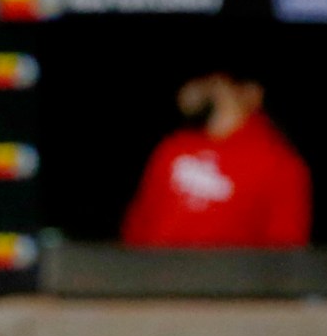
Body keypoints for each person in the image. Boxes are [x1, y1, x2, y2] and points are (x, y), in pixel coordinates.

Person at [121, 70, 311, 249]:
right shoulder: (173, 147)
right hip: (155, 276)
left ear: (251, 93)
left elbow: (285, 247)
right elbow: (139, 223)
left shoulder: (280, 164)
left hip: (224, 279)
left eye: (217, 84)